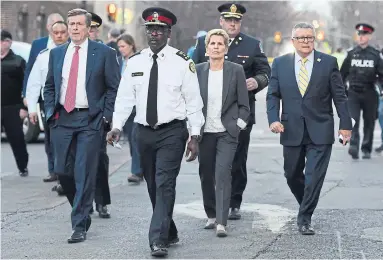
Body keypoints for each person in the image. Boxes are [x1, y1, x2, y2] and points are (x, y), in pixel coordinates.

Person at [107, 7, 204, 256]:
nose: (154, 34)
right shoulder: (135, 62)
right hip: (143, 132)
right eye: (150, 29)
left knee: (164, 184)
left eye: (159, 30)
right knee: (152, 185)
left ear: (168, 32)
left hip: (172, 132)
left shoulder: (183, 62)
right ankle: (168, 228)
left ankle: (158, 239)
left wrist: (195, 135)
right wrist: (117, 125)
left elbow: (193, 101)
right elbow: (125, 98)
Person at [267, 22, 352, 235]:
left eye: (309, 38)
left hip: (320, 128)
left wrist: (345, 124)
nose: (306, 41)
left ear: (314, 40)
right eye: (301, 38)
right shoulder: (280, 63)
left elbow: (339, 96)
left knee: (314, 176)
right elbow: (273, 94)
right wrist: (273, 119)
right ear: (293, 41)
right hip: (291, 128)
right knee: (291, 174)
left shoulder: (329, 62)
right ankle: (306, 203)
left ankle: (305, 217)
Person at [44, 8, 120, 243]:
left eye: (79, 24)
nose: (74, 28)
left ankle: (79, 223)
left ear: (88, 28)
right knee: (63, 171)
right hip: (62, 120)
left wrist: (105, 118)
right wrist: (50, 112)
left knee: (84, 172)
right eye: (71, 24)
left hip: (90, 120)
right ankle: (82, 209)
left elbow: (113, 88)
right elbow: (49, 86)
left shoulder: (104, 53)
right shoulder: (57, 54)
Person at [193, 2, 271, 220]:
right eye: (229, 20)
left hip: (240, 114)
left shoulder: (252, 45)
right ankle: (214, 205)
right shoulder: (204, 43)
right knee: (208, 164)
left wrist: (256, 82)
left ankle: (234, 201)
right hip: (209, 114)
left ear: (240, 23)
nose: (232, 23)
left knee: (236, 160)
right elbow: (193, 74)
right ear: (221, 21)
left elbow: (265, 72)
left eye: (236, 21)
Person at [196, 29, 250, 237]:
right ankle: (211, 215)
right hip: (204, 132)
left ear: (226, 48)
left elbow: (244, 105)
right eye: (213, 43)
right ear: (206, 47)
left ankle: (221, 221)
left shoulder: (235, 70)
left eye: (220, 44)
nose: (216, 47)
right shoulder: (198, 70)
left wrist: (239, 125)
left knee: (223, 173)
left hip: (227, 132)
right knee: (206, 174)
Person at [26, 21, 69, 185]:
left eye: (62, 32)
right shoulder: (43, 56)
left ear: (68, 33)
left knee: (66, 139)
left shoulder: (74, 54)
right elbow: (34, 83)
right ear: (51, 34)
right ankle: (54, 171)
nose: (59, 35)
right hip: (49, 103)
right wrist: (32, 109)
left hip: (68, 103)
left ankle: (65, 172)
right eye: (55, 32)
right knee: (50, 140)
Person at [340, 23, 383, 159]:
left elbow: (381, 75)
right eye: (359, 34)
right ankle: (354, 146)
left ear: (369, 36)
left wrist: (381, 89)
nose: (361, 37)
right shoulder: (351, 54)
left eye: (364, 34)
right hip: (353, 92)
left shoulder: (375, 55)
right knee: (354, 120)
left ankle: (366, 147)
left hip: (370, 92)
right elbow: (342, 74)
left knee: (369, 122)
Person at [1, 29, 29, 177]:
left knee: (17, 139)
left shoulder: (18, 61)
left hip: (12, 107)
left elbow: (26, 86)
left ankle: (22, 166)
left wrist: (24, 107)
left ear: (8, 42)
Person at [116, 33, 143, 183]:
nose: (121, 49)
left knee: (135, 138)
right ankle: (140, 166)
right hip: (124, 105)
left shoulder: (139, 60)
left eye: (123, 46)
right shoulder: (118, 62)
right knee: (131, 139)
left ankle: (137, 171)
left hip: (137, 105)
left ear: (131, 45)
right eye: (119, 46)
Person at [23, 13, 64, 98]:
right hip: (43, 96)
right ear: (48, 27)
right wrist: (26, 94)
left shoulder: (71, 43)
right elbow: (29, 70)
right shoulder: (38, 44)